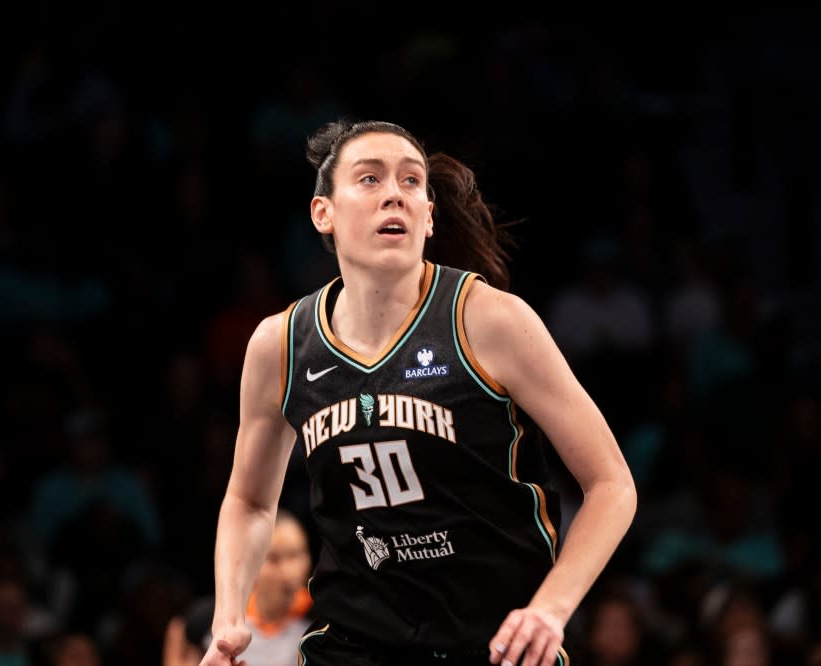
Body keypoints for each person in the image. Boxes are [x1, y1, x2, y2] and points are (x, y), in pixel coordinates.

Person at [198, 119, 637, 666]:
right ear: (323, 213)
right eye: (370, 179)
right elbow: (249, 500)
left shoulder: (489, 320)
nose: (394, 196)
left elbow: (612, 483)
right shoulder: (280, 346)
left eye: (411, 182)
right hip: (354, 646)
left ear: (429, 217)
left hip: (495, 646)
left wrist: (551, 609)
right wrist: (228, 619)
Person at [164, 508, 314, 666]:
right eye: (273, 559)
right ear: (250, 564)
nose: (289, 572)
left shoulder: (321, 619)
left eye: (296, 554)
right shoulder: (209, 622)